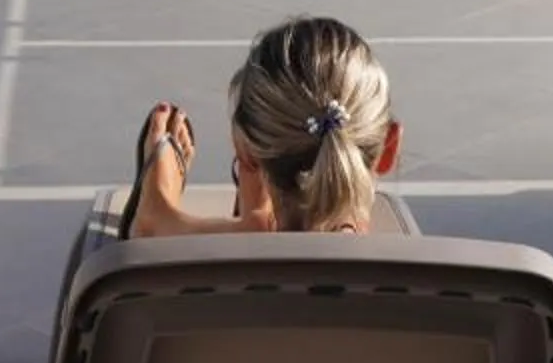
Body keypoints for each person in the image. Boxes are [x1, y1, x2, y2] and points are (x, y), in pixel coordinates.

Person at [129, 15, 402, 237]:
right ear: (390, 148)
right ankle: (256, 224)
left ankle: (157, 222)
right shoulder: (425, 284)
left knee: (262, 226)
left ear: (245, 153)